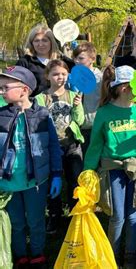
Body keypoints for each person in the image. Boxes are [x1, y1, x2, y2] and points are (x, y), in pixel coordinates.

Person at [83, 65, 136, 268]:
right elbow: (95, 145)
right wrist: (88, 172)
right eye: (134, 86)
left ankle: (130, 253)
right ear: (123, 88)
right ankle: (112, 253)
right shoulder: (104, 113)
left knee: (133, 213)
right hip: (113, 170)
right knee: (117, 215)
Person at [0, 66, 62, 268]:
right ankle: (20, 255)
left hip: (36, 181)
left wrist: (56, 174)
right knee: (16, 223)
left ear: (24, 89)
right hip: (8, 184)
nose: (1, 91)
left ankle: (37, 254)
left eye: (5, 87)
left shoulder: (42, 115)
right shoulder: (0, 115)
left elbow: (53, 146)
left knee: (36, 221)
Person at [35, 60, 84, 234]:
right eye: (56, 74)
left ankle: (74, 213)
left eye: (64, 74)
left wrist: (78, 106)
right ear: (48, 76)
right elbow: (38, 123)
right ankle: (54, 215)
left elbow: (80, 120)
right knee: (51, 183)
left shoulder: (72, 95)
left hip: (71, 145)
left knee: (75, 181)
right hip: (50, 148)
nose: (60, 77)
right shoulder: (41, 98)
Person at [16, 23, 75, 96]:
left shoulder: (62, 60)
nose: (40, 44)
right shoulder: (25, 62)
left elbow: (81, 74)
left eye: (44, 40)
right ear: (32, 43)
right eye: (36, 41)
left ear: (51, 42)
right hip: (34, 105)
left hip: (61, 104)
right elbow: (16, 85)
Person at [72, 42, 102, 152]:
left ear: (92, 59)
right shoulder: (72, 77)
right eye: (75, 58)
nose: (76, 61)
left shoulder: (100, 79)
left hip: (93, 126)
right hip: (76, 127)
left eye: (81, 58)